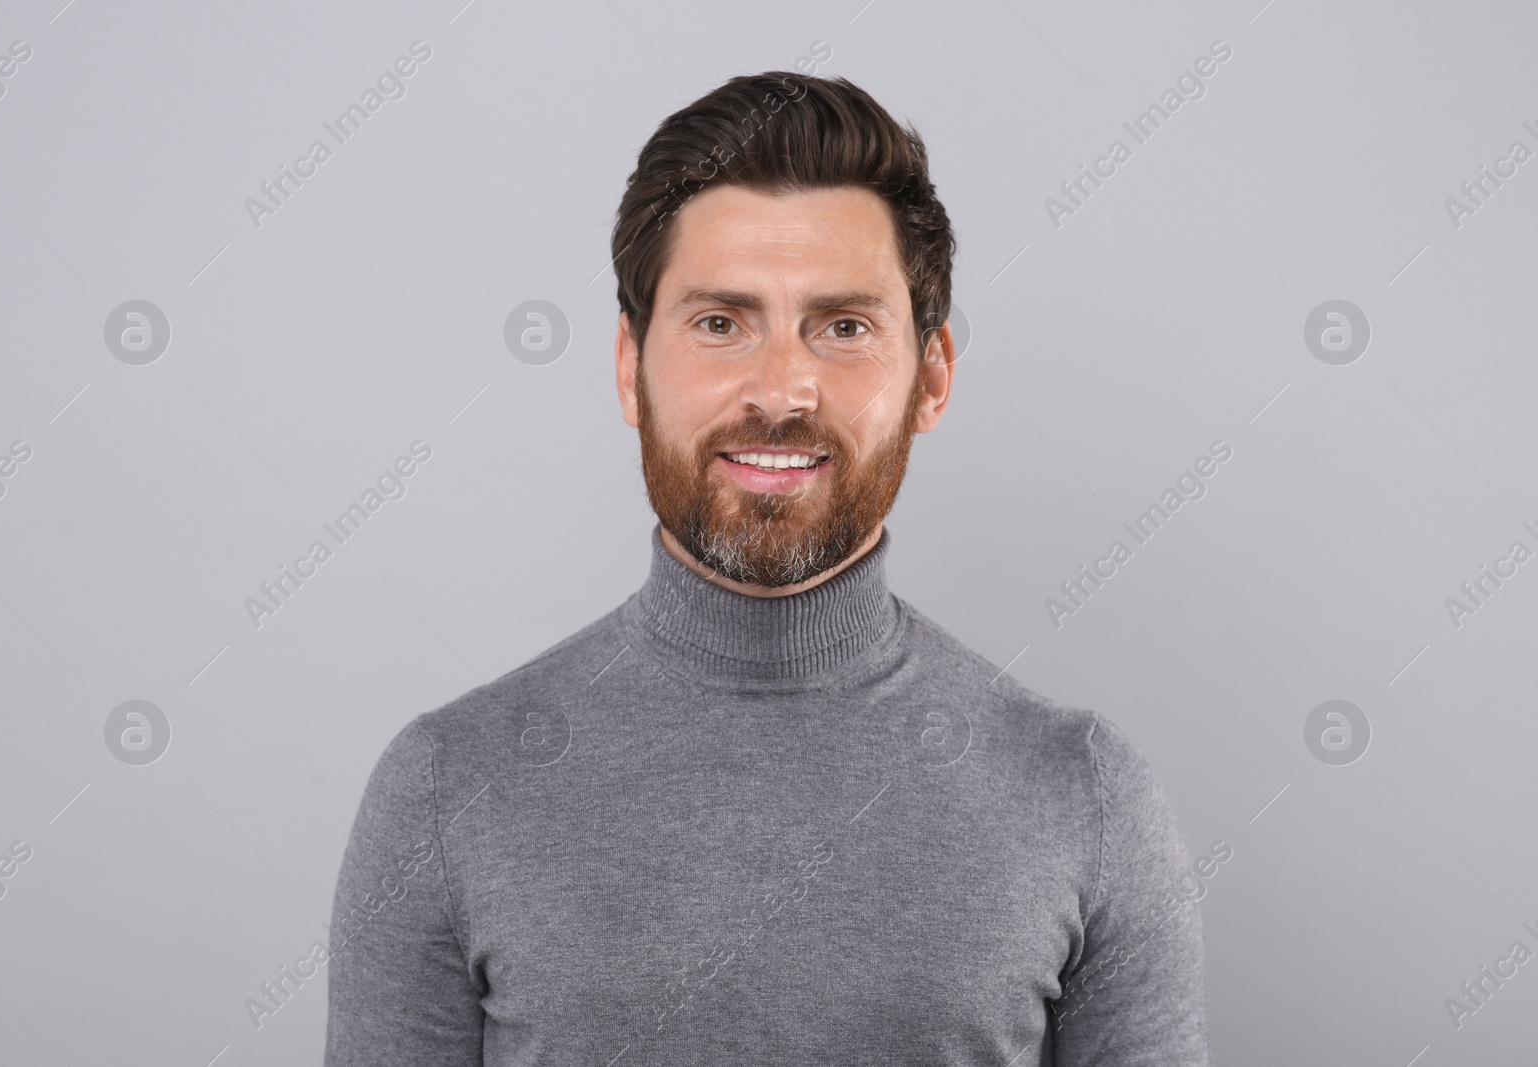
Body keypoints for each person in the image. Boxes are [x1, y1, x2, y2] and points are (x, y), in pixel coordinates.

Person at [324, 71, 1210, 1066]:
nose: (782, 389)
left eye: (843, 326)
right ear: (629, 367)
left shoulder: (1084, 793)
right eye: (719, 322)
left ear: (933, 376)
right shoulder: (446, 786)